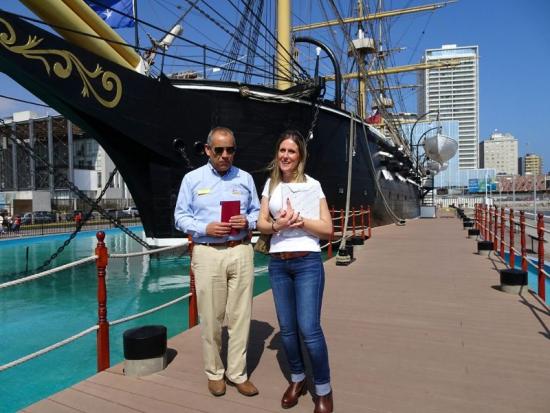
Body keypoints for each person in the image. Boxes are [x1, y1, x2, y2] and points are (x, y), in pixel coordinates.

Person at [174, 126, 260, 398]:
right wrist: (204, 228)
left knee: (240, 317)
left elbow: (258, 213)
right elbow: (179, 217)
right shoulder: (192, 179)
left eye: (230, 150)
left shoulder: (245, 178)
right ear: (208, 150)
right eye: (219, 150)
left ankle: (238, 374)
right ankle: (214, 373)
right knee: (211, 318)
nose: (225, 155)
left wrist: (249, 221)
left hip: (241, 250)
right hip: (208, 251)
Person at [257, 130, 334, 413]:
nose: (285, 156)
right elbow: (261, 223)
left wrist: (300, 221)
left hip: (307, 263)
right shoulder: (271, 185)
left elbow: (327, 230)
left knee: (309, 329)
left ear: (300, 155)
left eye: (291, 151)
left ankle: (323, 389)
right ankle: (298, 379)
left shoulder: (313, 186)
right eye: (282, 150)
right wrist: (278, 225)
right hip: (278, 263)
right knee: (287, 330)